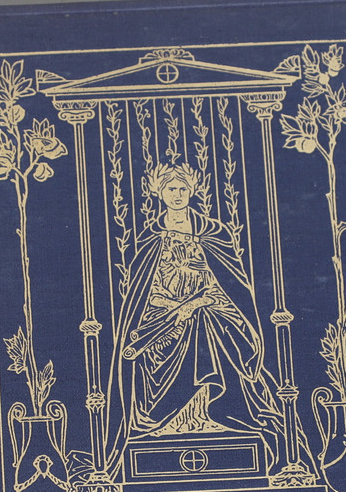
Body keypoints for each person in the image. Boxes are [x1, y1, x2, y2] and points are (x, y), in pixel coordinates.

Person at [113, 164, 290, 462]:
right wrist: (171, 307)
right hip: (162, 316)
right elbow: (143, 291)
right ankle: (172, 422)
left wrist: (192, 305)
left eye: (183, 188)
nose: (178, 194)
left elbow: (227, 286)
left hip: (211, 309)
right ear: (159, 193)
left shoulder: (214, 233)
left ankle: (213, 413)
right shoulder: (151, 237)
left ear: (192, 191)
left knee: (204, 322)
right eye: (171, 189)